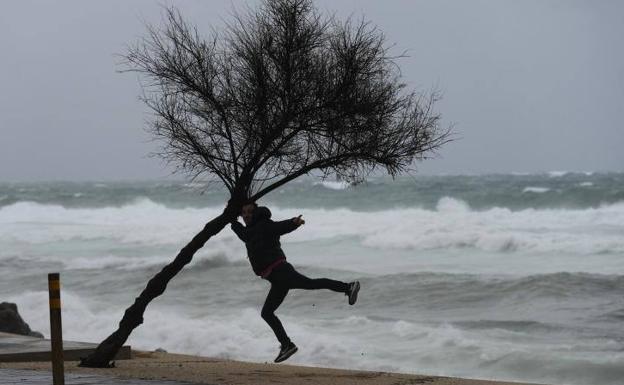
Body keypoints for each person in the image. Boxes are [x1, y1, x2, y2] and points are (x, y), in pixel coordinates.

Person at [231, 202, 360, 363]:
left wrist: (293, 223)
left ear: (256, 213)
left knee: (311, 284)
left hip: (282, 272)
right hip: (276, 279)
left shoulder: (264, 225)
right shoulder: (250, 231)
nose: (246, 215)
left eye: (250, 212)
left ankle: (348, 287)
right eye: (243, 213)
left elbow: (279, 227)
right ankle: (287, 345)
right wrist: (232, 220)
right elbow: (244, 235)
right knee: (267, 313)